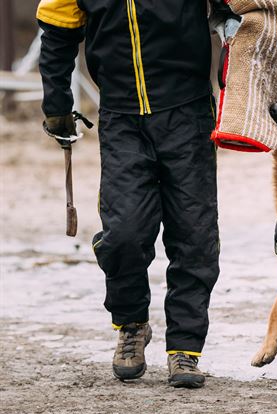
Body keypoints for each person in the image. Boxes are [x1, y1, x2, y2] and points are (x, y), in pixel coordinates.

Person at [37, 0, 219, 388]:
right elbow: (57, 33)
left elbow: (246, 11)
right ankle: (132, 324)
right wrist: (57, 105)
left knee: (194, 234)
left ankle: (185, 349)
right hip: (121, 118)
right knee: (123, 234)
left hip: (187, 111)